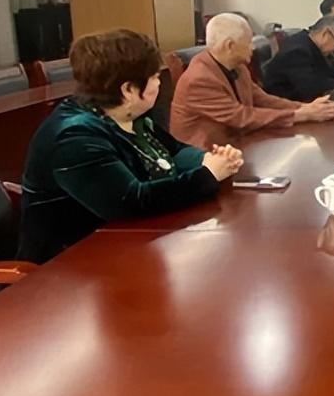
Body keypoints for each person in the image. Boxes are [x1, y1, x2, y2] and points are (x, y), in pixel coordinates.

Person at [18, 29, 243, 263]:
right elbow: (131, 202)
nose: (159, 83)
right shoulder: (73, 137)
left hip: (126, 245)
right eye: (155, 77)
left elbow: (173, 151)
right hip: (67, 265)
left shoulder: (126, 114)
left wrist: (209, 159)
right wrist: (207, 176)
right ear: (128, 90)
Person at [170, 13, 334, 149]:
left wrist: (306, 108)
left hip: (236, 144)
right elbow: (241, 116)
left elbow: (262, 99)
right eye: (248, 42)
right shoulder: (199, 79)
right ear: (230, 45)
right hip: (204, 157)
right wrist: (301, 115)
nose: (253, 47)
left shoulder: (238, 67)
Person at [262, 14, 334, 102]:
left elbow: (325, 72)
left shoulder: (308, 42)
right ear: (325, 34)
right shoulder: (297, 52)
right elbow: (311, 88)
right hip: (283, 105)